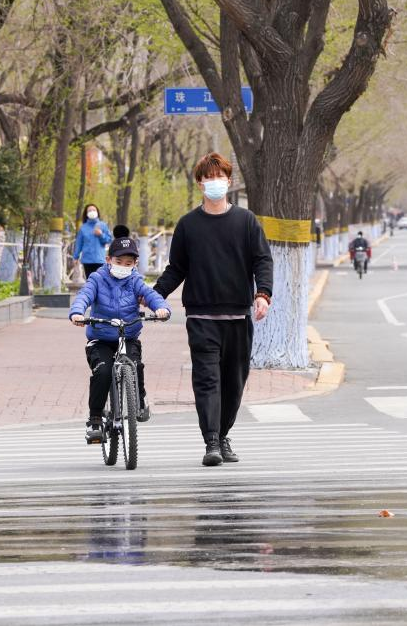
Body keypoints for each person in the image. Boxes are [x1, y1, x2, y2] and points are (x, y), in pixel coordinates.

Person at [153, 152, 273, 467]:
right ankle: (211, 443)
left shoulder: (246, 221)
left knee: (234, 384)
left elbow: (262, 260)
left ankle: (223, 434)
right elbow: (176, 268)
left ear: (229, 181)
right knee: (207, 381)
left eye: (220, 177)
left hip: (238, 317)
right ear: (200, 183)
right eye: (209, 178)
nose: (215, 182)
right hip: (201, 318)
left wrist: (263, 294)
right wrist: (154, 295)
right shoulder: (188, 225)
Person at [70, 226, 171, 443]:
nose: (123, 266)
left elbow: (150, 295)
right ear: (108, 260)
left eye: (128, 263)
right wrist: (77, 312)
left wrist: (162, 308)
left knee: (136, 365)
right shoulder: (97, 278)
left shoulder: (135, 280)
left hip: (128, 336)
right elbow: (84, 295)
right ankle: (95, 420)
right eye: (119, 261)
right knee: (103, 372)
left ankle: (139, 402)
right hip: (100, 338)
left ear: (135, 264)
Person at [73, 204, 113, 278]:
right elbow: (79, 244)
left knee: (101, 281)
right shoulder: (83, 228)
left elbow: (109, 240)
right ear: (86, 213)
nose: (92, 212)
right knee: (90, 281)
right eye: (89, 210)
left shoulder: (103, 225)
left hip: (100, 259)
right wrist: (76, 257)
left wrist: (101, 234)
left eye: (94, 210)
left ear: (97, 212)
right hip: (87, 260)